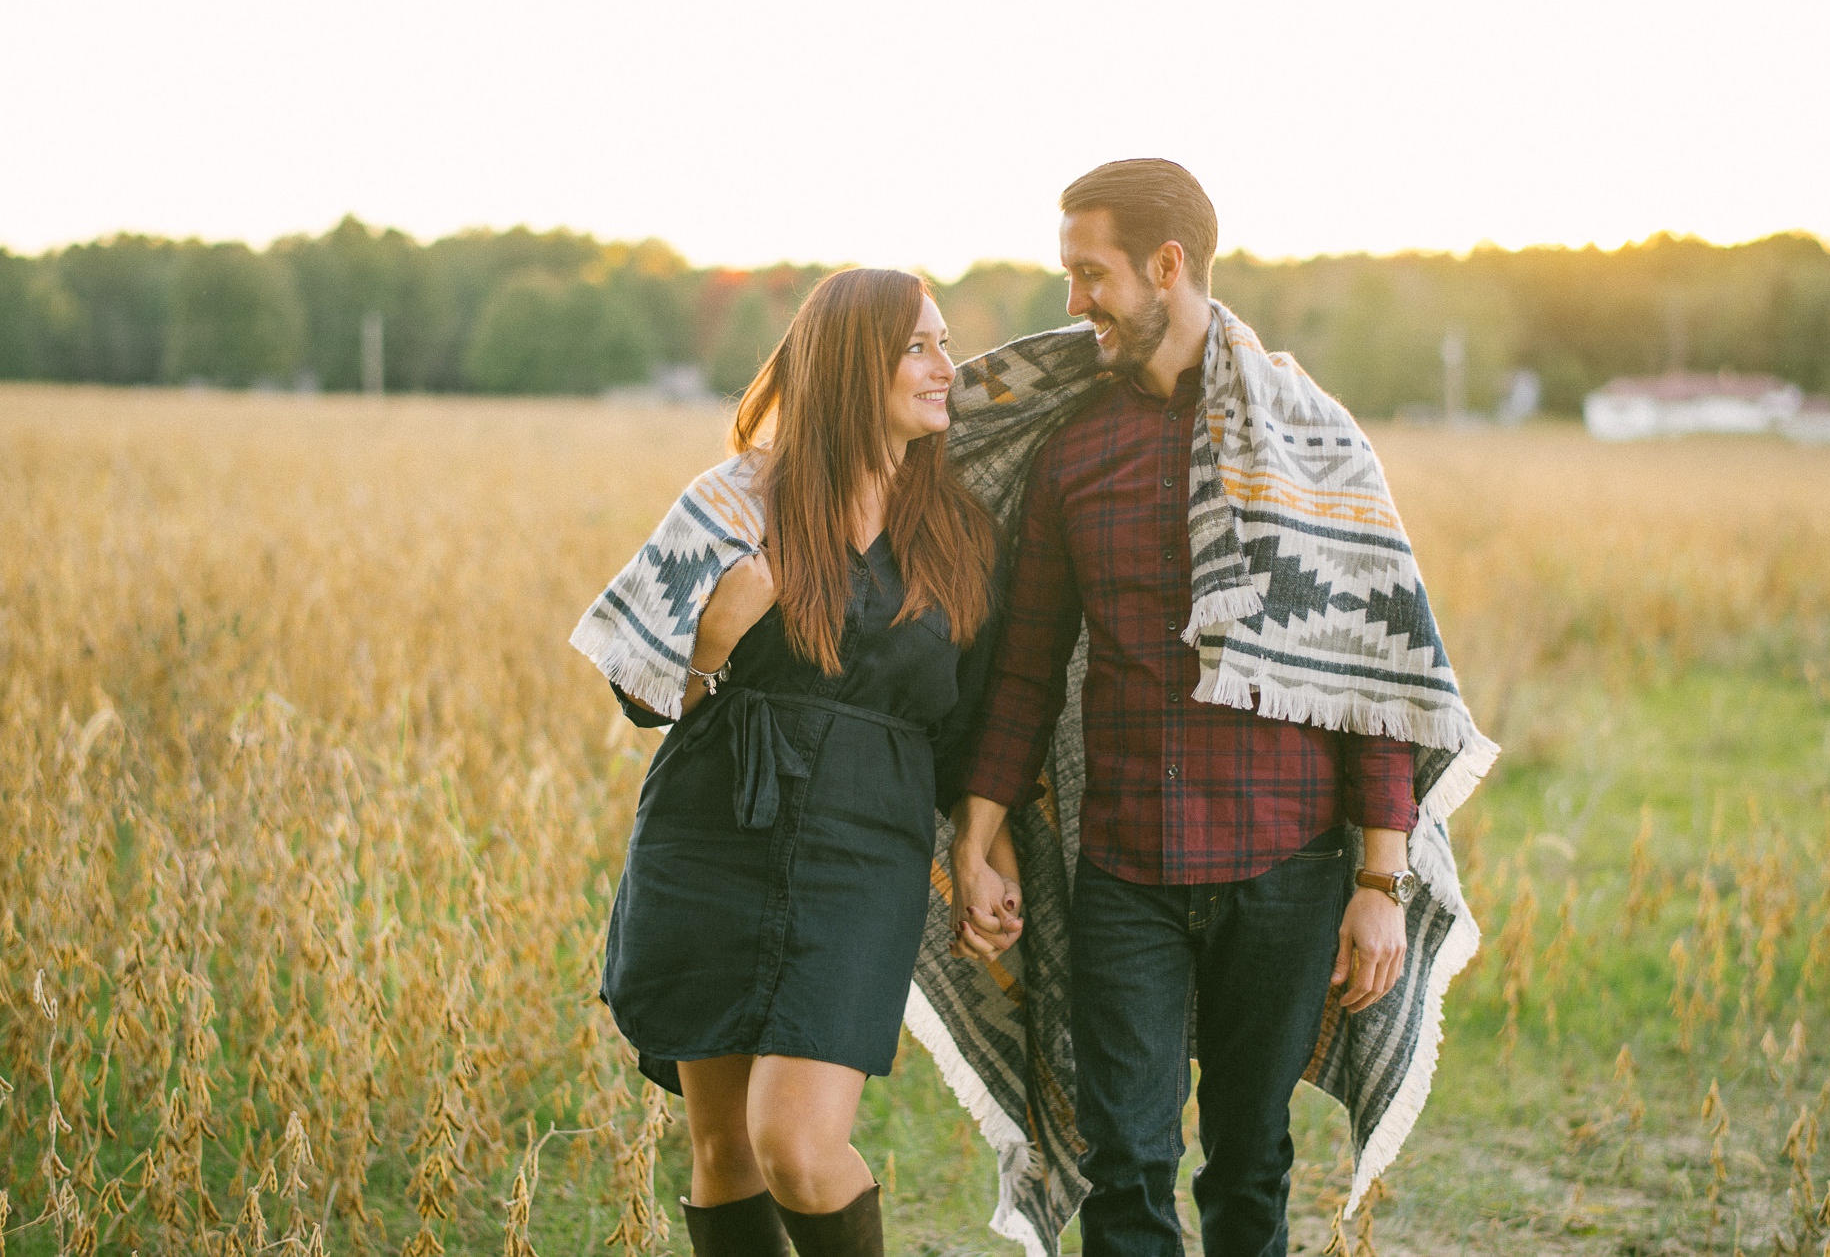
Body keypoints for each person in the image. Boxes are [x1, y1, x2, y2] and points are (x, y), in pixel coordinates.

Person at [945, 160, 1442, 1256]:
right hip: (1124, 869)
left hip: (1287, 866)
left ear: (1167, 266)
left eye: (1091, 274)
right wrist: (977, 839)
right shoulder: (1074, 453)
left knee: (1252, 1162)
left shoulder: (1314, 441)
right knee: (1126, 1168)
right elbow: (1027, 667)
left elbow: (1373, 670)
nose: (1074, 303)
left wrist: (1379, 882)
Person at [571, 268, 1000, 1257]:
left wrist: (981, 849)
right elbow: (640, 693)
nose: (947, 369)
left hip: (864, 853)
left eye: (945, 343)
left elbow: (974, 725)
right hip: (710, 836)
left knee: (798, 1145)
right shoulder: (734, 499)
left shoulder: (959, 529)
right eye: (920, 347)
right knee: (725, 1147)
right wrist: (714, 643)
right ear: (855, 366)